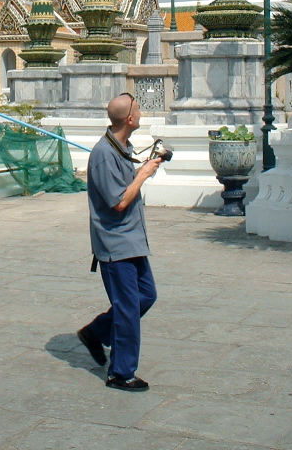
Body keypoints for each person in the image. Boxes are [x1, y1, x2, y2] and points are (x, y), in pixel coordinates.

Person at [77, 93, 163, 392]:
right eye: (138, 109)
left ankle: (97, 331)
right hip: (115, 243)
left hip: (133, 239)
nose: (140, 113)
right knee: (127, 307)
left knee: (146, 295)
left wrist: (143, 168)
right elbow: (118, 202)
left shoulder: (122, 147)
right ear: (129, 118)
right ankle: (121, 373)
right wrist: (144, 175)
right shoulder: (103, 153)